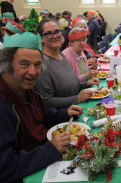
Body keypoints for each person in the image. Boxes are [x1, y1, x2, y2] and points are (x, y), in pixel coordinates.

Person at [0, 32, 83, 182]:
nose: (33, 72)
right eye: (24, 64)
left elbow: (42, 114)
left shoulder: (27, 89)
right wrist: (49, 150)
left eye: (37, 65)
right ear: (6, 65)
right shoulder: (3, 105)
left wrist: (65, 113)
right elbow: (5, 167)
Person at [35, 19, 100, 109]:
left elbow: (71, 84)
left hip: (76, 107)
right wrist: (77, 98)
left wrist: (86, 84)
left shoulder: (61, 55)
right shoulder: (42, 64)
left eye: (57, 31)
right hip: (64, 115)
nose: (55, 36)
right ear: (41, 38)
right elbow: (46, 101)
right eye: (49, 33)